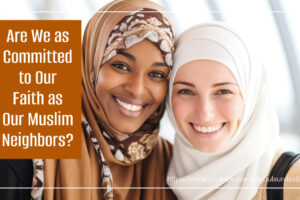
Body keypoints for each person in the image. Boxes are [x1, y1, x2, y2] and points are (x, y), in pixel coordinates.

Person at [29, 0, 176, 199]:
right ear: (91, 62)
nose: (137, 89)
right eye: (121, 66)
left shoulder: (172, 165)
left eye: (157, 74)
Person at [166, 22, 300, 200]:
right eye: (186, 91)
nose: (204, 113)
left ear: (251, 94)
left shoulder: (291, 182)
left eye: (223, 91)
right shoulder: (154, 173)